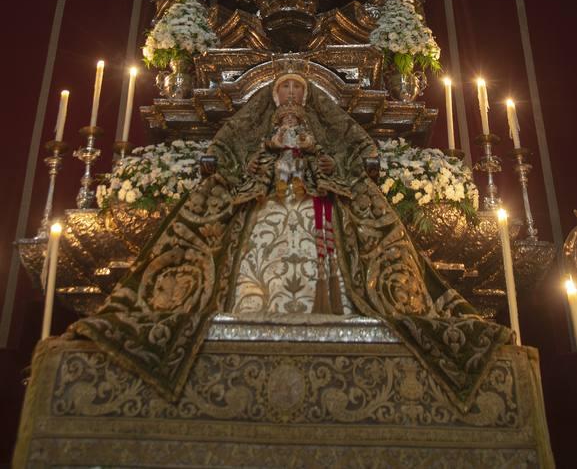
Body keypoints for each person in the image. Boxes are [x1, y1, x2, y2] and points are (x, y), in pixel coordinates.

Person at [73, 72, 512, 410]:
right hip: (265, 195)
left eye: (295, 92)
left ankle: (340, 305)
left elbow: (352, 147)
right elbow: (230, 149)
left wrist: (318, 157)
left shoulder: (322, 123)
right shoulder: (257, 125)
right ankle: (242, 305)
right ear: (273, 97)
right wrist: (261, 156)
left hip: (317, 196)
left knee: (350, 232)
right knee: (245, 235)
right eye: (283, 91)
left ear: (306, 97)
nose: (289, 97)